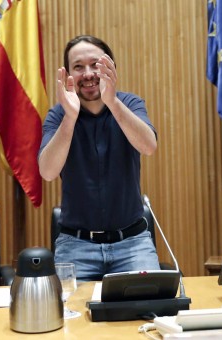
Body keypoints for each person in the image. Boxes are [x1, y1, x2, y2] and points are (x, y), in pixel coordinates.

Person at [38, 35, 160, 281]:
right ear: (69, 75)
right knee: (70, 316)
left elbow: (149, 146)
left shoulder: (129, 103)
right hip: (76, 246)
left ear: (110, 68)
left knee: (150, 309)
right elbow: (47, 171)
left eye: (95, 64)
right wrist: (70, 118)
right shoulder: (58, 115)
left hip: (133, 244)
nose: (88, 73)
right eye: (78, 67)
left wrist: (112, 102)